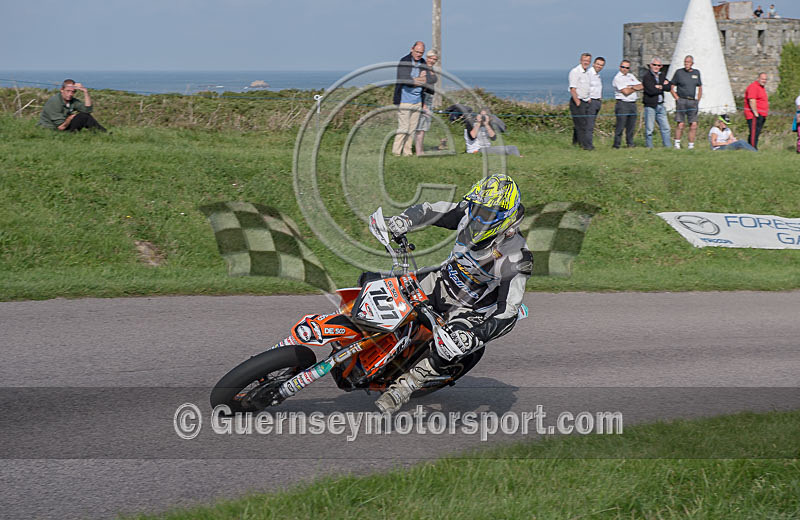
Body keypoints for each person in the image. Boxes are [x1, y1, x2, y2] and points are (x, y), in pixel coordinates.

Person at [375, 173, 532, 413]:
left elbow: (509, 312)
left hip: (468, 309)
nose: (476, 215)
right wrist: (402, 221)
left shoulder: (517, 256)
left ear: (503, 217)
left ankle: (406, 386)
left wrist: (476, 335)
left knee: (451, 345)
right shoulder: (468, 212)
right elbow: (430, 210)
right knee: (375, 281)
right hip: (441, 280)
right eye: (476, 207)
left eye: (484, 212)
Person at [392, 41, 432, 156]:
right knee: (403, 128)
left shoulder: (423, 62)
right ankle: (396, 153)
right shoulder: (404, 61)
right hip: (404, 100)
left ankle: (407, 152)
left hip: (418, 101)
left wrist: (417, 81)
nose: (419, 54)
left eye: (421, 53)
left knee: (412, 129)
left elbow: (427, 81)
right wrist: (420, 79)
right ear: (412, 49)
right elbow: (406, 81)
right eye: (417, 52)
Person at [38, 79, 106, 132]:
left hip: (64, 125)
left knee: (85, 116)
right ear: (62, 90)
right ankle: (101, 133)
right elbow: (61, 127)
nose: (70, 94)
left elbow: (88, 110)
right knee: (82, 116)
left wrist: (85, 92)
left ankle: (102, 133)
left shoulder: (72, 101)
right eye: (68, 91)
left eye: (73, 92)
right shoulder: (55, 102)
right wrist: (70, 118)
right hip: (52, 129)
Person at [671, 55, 702, 149]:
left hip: (692, 101)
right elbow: (671, 86)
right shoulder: (679, 72)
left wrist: (698, 99)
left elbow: (700, 87)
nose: (686, 64)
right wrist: (677, 98)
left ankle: (691, 145)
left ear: (692, 63)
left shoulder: (696, 73)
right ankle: (677, 144)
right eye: (685, 62)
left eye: (688, 62)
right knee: (680, 123)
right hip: (682, 100)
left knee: (693, 124)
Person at [641, 57, 672, 148]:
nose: (656, 67)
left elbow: (669, 87)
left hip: (661, 105)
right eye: (654, 65)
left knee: (666, 128)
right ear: (650, 65)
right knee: (649, 129)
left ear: (661, 66)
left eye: (658, 65)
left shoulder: (662, 75)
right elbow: (650, 91)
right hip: (650, 106)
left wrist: (659, 87)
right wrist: (662, 86)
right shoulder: (646, 76)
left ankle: (667, 147)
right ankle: (649, 147)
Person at [612, 60, 643, 148]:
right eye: (623, 67)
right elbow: (625, 92)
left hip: (632, 103)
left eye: (627, 67)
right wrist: (634, 87)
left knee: (631, 126)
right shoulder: (617, 78)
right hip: (622, 104)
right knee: (620, 126)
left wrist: (631, 87)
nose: (625, 69)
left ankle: (630, 144)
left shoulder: (631, 76)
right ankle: (616, 145)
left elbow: (641, 85)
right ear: (620, 67)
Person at [414, 49, 439, 156]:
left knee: (424, 127)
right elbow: (421, 87)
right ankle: (419, 151)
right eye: (431, 58)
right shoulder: (423, 68)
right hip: (423, 97)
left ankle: (420, 149)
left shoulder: (431, 69)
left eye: (435, 59)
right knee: (420, 126)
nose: (433, 61)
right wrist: (423, 105)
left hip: (430, 97)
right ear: (427, 57)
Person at [568, 52, 594, 150]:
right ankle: (586, 146)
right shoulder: (575, 72)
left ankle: (576, 144)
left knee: (582, 124)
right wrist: (577, 102)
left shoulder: (587, 73)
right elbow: (572, 89)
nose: (586, 62)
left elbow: (586, 87)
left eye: (588, 61)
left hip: (586, 101)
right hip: (577, 102)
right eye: (584, 60)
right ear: (580, 60)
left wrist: (589, 99)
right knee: (581, 125)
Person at [744, 73, 769, 150]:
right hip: (754, 115)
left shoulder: (761, 88)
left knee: (757, 132)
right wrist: (756, 113)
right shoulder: (753, 87)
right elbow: (752, 100)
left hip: (762, 114)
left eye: (765, 79)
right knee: (754, 132)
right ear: (758, 78)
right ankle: (752, 148)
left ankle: (751, 147)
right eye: (762, 79)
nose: (764, 81)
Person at [586, 57, 606, 150]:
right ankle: (588, 145)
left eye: (601, 65)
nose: (599, 66)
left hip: (597, 101)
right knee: (589, 125)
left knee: (592, 124)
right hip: (591, 101)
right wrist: (588, 98)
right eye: (598, 64)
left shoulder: (597, 75)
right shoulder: (589, 74)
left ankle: (582, 143)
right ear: (594, 63)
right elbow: (584, 86)